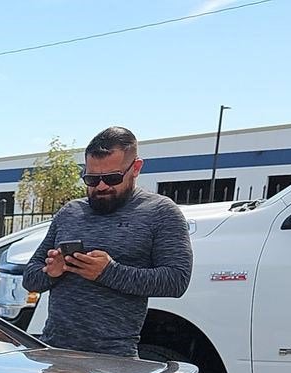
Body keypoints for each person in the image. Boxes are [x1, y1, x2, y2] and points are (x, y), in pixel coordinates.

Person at [21, 126, 193, 358]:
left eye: (112, 178)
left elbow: (176, 280)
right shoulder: (70, 212)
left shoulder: (160, 212)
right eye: (92, 179)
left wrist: (109, 272)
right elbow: (30, 278)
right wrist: (52, 272)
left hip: (115, 360)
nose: (101, 186)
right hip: (55, 354)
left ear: (136, 168)